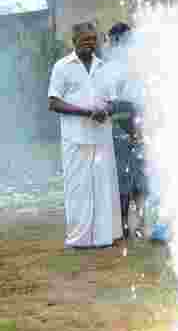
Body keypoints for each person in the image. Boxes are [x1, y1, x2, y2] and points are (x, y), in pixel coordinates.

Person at [47, 22, 123, 249]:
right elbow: (53, 102)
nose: (90, 44)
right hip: (75, 138)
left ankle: (104, 238)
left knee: (103, 186)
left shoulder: (103, 67)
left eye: (93, 39)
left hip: (101, 136)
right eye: (85, 40)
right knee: (78, 188)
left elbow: (112, 101)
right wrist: (86, 112)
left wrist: (105, 111)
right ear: (74, 42)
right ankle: (79, 239)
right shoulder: (62, 67)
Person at [105, 23, 148, 240]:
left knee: (140, 179)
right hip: (118, 127)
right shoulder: (107, 68)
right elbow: (112, 103)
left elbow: (143, 99)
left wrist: (139, 129)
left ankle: (140, 223)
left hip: (138, 124)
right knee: (122, 178)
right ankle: (123, 224)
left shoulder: (138, 64)